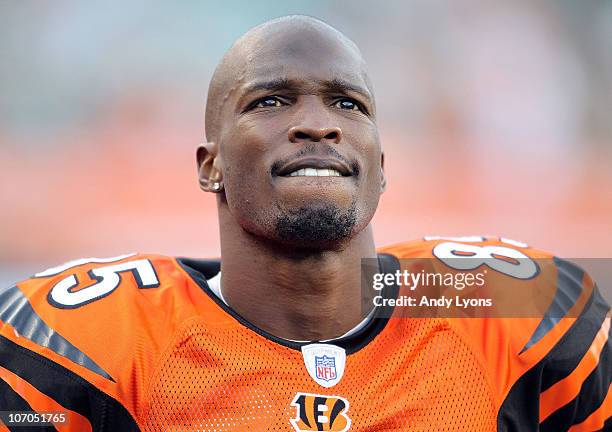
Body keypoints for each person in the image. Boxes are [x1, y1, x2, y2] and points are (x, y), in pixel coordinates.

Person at [0, 15, 609, 432]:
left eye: (348, 103)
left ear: (380, 166)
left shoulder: (514, 313)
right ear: (210, 165)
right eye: (270, 102)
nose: (319, 124)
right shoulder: (83, 345)